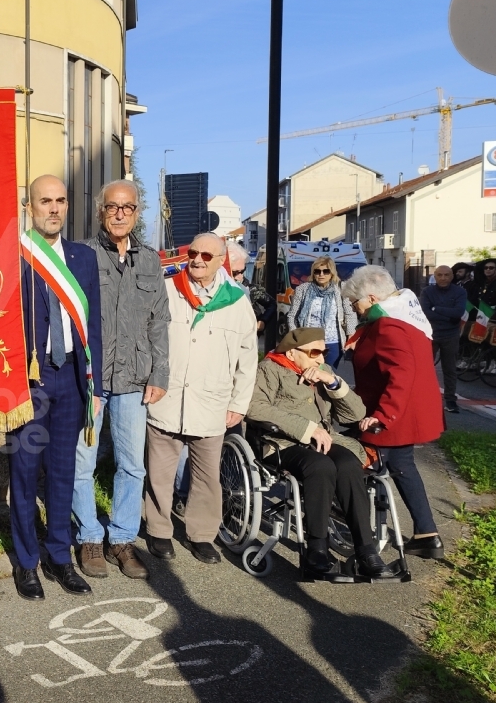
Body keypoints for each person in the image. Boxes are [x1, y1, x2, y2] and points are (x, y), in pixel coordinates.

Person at [9, 175, 102, 600]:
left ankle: (60, 556)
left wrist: (95, 385)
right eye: (44, 201)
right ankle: (27, 562)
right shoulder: (13, 255)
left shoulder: (82, 258)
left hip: (71, 380)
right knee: (26, 474)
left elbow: (94, 326)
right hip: (28, 378)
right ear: (30, 207)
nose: (54, 208)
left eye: (61, 200)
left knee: (65, 473)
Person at [70, 179, 168, 581]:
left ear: (137, 212)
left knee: (132, 466)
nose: (120, 214)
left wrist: (160, 372)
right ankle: (89, 537)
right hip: (92, 379)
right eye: (113, 207)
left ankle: (122, 539)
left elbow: (160, 320)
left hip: (135, 377)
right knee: (83, 463)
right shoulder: (81, 256)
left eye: (127, 208)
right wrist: (80, 377)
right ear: (101, 211)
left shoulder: (150, 261)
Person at [246, 327, 394, 580]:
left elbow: (355, 415)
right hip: (281, 442)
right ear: (292, 353)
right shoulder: (269, 369)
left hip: (325, 439)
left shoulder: (324, 372)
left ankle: (366, 550)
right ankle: (317, 548)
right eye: (314, 352)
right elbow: (255, 407)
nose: (322, 359)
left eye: (323, 352)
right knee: (320, 467)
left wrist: (334, 383)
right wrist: (308, 428)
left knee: (349, 464)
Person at [145, 233, 257, 565]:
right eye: (193, 252)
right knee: (159, 474)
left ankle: (202, 535)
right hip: (168, 399)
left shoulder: (236, 302)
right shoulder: (167, 291)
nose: (197, 259)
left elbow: (248, 358)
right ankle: (158, 530)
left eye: (207, 256)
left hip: (211, 403)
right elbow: (148, 340)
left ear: (222, 261)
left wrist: (239, 403)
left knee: (208, 477)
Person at [341, 265, 445, 559]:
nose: (354, 309)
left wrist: (384, 415)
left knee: (360, 466)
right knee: (403, 467)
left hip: (392, 412)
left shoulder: (389, 325)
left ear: (372, 298)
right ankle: (427, 534)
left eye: (355, 303)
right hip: (407, 409)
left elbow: (401, 372)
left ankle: (368, 541)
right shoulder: (405, 315)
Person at [286, 255, 356, 368]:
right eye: (317, 271)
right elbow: (292, 315)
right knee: (309, 374)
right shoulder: (303, 289)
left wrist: (350, 336)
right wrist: (295, 337)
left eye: (326, 271)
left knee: (328, 373)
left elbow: (350, 313)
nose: (321, 274)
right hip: (309, 341)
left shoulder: (341, 288)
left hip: (333, 342)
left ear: (332, 272)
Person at [421, 265, 467, 414]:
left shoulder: (460, 291)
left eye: (446, 275)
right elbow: (426, 312)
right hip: (430, 333)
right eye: (439, 275)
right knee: (426, 367)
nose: (443, 278)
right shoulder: (427, 292)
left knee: (450, 369)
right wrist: (448, 314)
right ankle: (425, 397)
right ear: (435, 276)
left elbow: (458, 312)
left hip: (451, 335)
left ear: (452, 276)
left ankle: (450, 400)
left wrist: (436, 308)